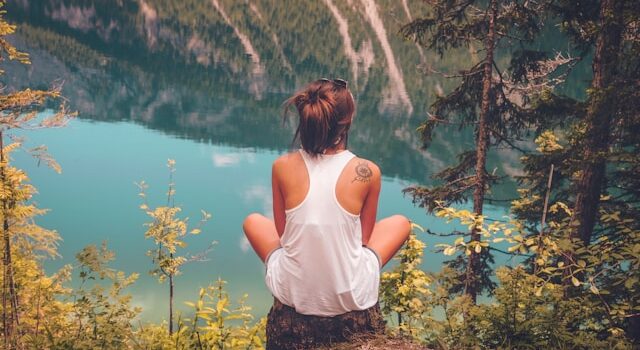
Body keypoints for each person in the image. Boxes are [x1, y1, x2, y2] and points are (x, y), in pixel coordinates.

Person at [242, 78, 411, 317]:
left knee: (253, 221)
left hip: (292, 291)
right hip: (350, 294)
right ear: (347, 122)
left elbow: (283, 234)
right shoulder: (368, 171)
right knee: (400, 223)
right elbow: (363, 240)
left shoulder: (281, 166)